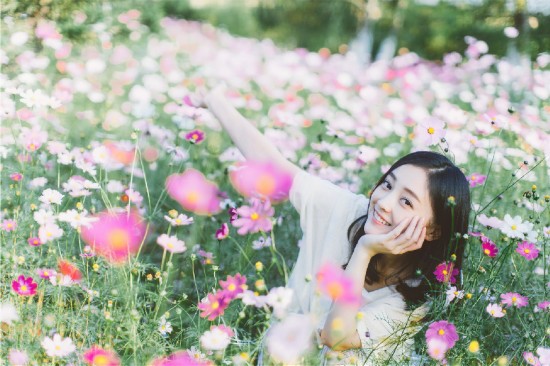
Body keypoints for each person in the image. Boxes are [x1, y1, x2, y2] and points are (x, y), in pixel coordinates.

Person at [204, 86, 471, 364]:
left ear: (433, 230)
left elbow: (337, 337)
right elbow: (276, 170)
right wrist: (214, 100)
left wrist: (364, 251)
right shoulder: (346, 210)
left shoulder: (420, 293)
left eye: (406, 202)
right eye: (388, 185)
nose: (384, 202)